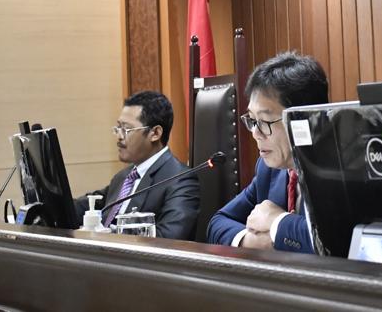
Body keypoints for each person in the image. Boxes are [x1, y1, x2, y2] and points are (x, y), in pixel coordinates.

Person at [207, 51, 328, 253]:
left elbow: (334, 241)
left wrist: (277, 222)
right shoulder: (270, 170)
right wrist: (250, 241)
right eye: (253, 120)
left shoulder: (338, 171)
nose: (255, 133)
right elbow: (218, 222)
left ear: (305, 118)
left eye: (265, 121)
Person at [74, 90, 199, 241]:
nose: (119, 136)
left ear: (155, 133)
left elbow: (170, 237)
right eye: (118, 128)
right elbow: (88, 205)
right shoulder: (124, 176)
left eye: (126, 129)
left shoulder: (180, 180)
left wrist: (108, 237)